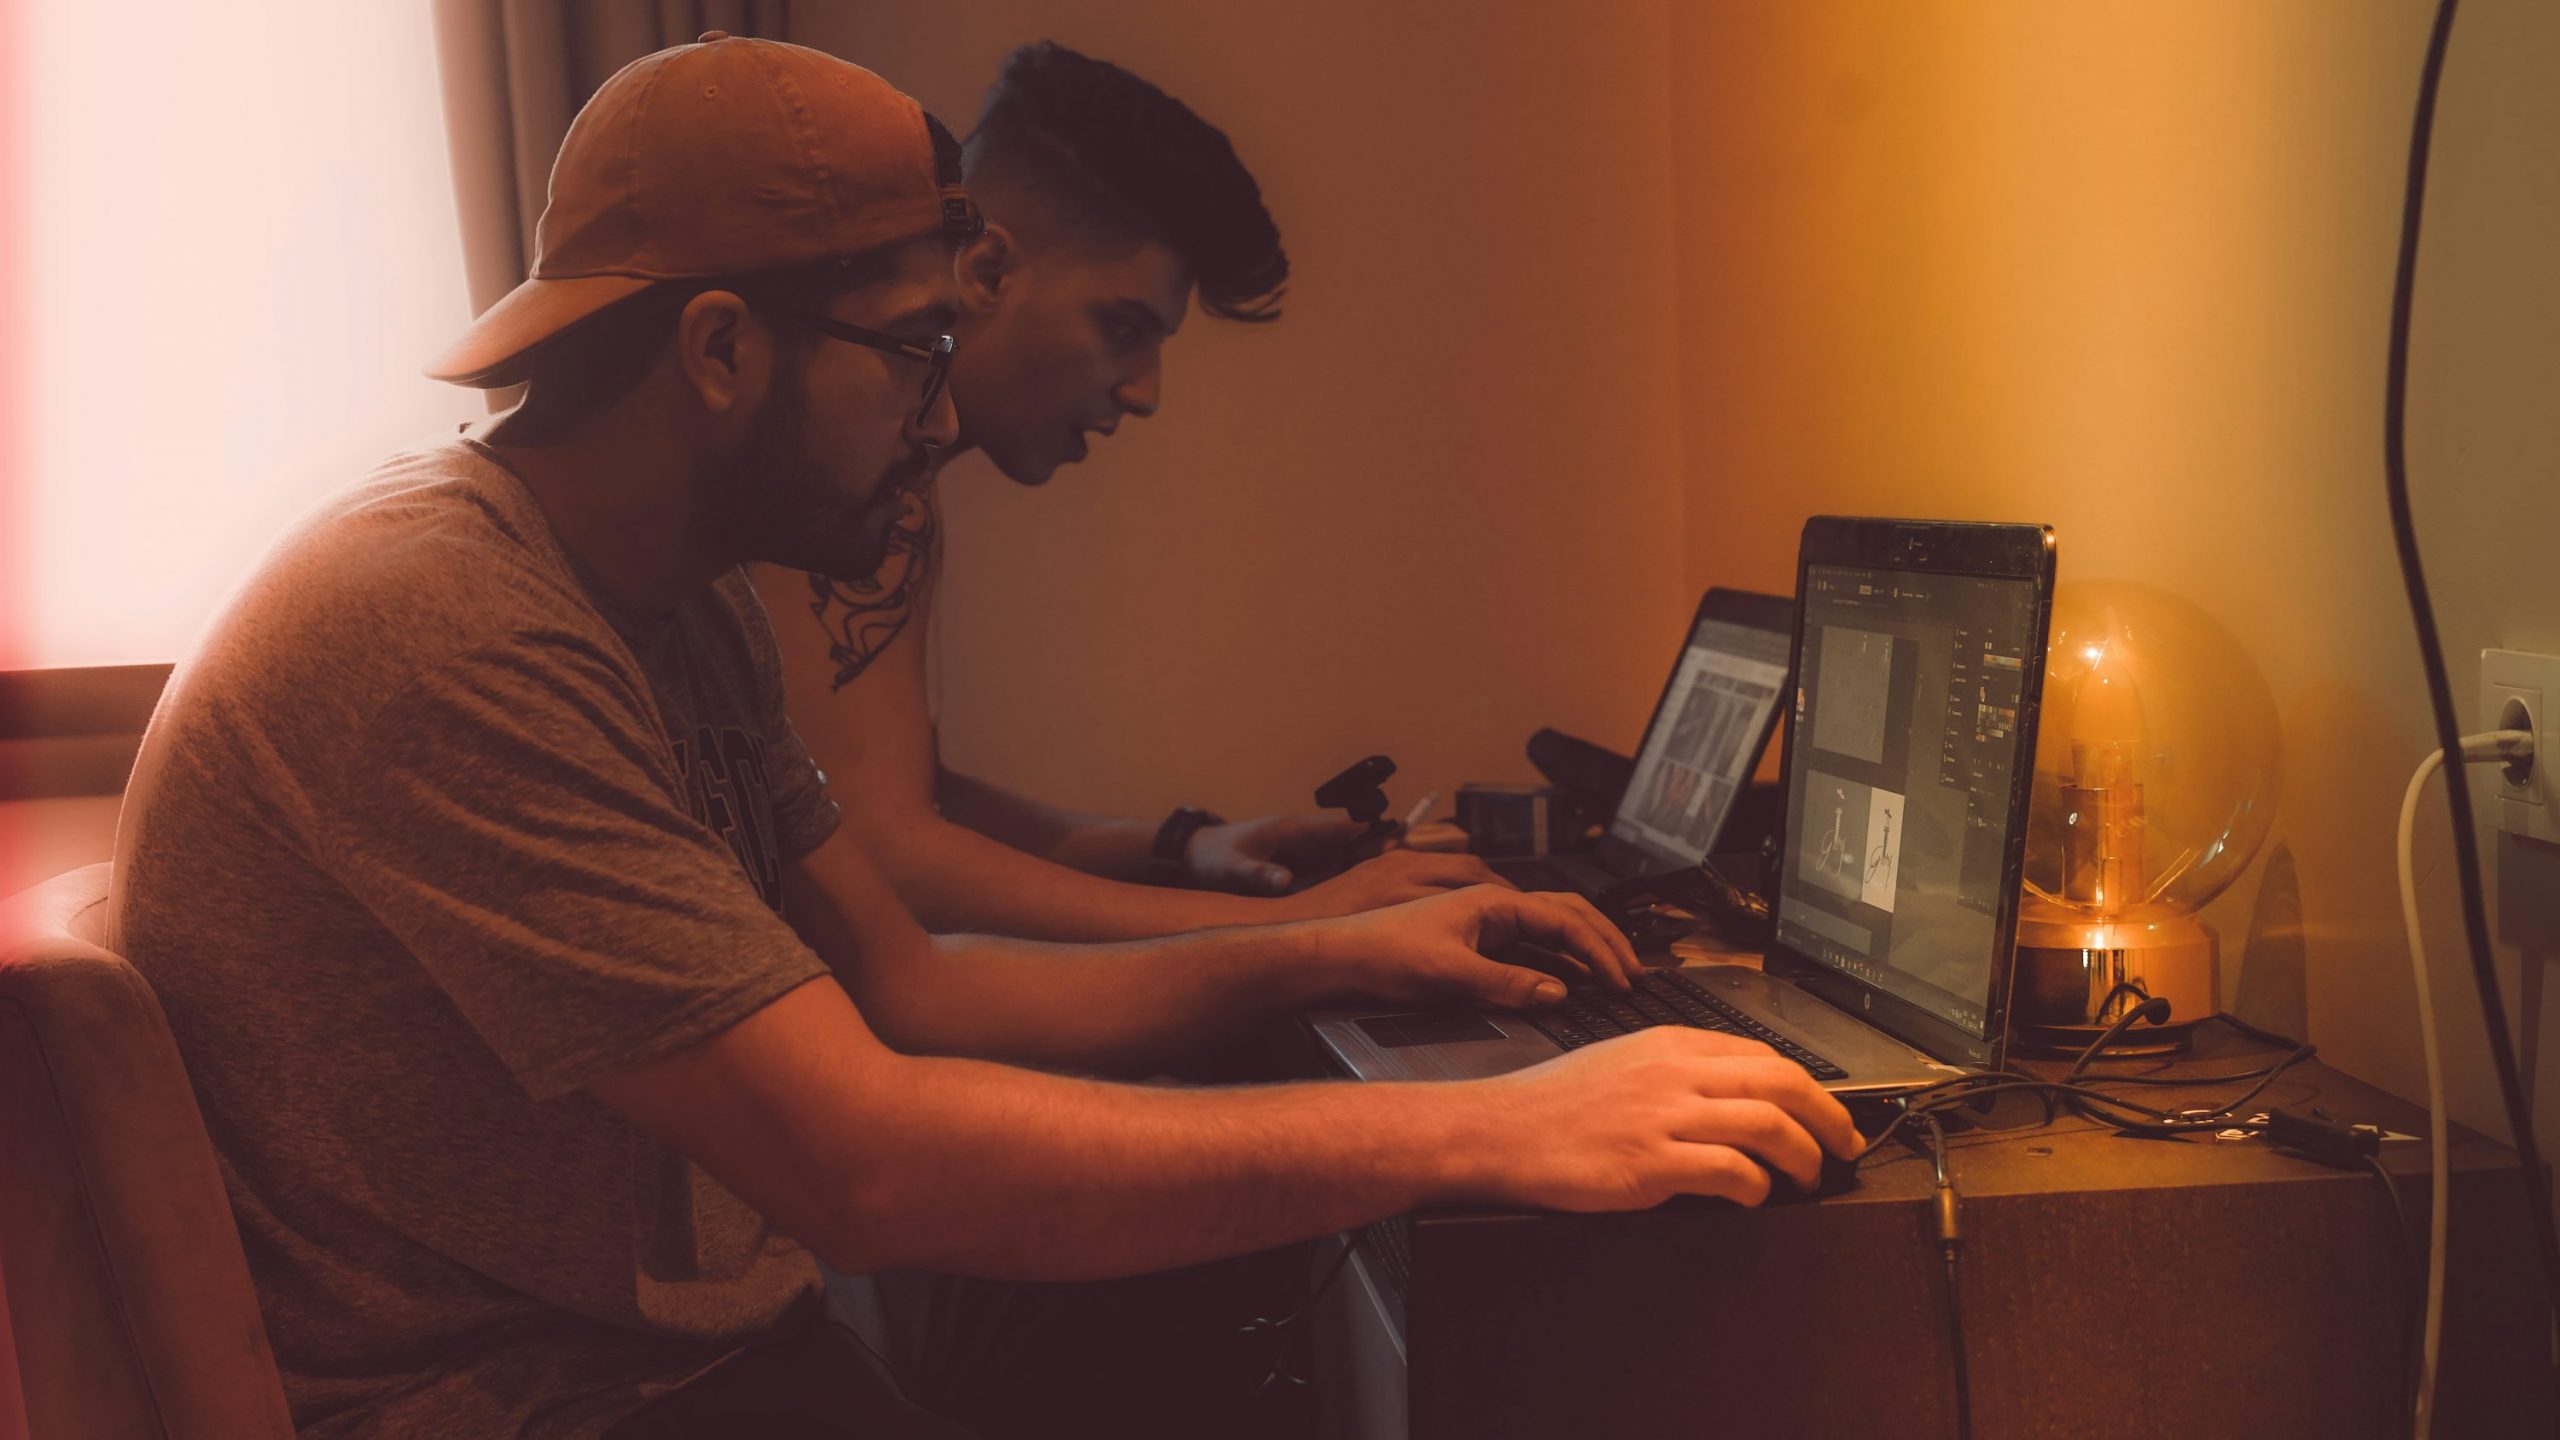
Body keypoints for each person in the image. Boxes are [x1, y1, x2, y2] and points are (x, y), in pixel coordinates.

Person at [107, 36, 1857, 1440]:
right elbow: (865, 1162)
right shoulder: (448, 630)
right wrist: (1498, 1132)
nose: (942, 411)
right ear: (720, 349)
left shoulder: (687, 608)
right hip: (524, 1403)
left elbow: (917, 990)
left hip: (684, 1365)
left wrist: (1340, 949)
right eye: (913, 350)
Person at [750, 42, 1489, 943]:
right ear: (985, 272)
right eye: (1123, 327)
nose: (1145, 392)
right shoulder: (826, 476)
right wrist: (1303, 931)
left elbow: (908, 803)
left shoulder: (899, 487)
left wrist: (1192, 848)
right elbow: (886, 858)